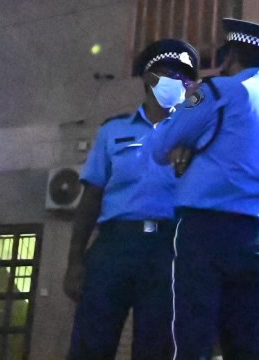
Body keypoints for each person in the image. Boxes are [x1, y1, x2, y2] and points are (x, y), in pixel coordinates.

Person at [147, 19, 259, 360]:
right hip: (257, 237)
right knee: (250, 345)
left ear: (230, 57)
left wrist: (188, 136)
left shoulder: (217, 91)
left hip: (206, 234)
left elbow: (160, 147)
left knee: (194, 341)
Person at [65, 40, 199, 360]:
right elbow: (91, 197)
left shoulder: (196, 137)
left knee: (157, 347)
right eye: (168, 74)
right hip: (114, 247)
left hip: (168, 249)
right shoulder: (113, 132)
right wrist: (74, 261)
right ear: (148, 77)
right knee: (91, 344)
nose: (176, 82)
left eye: (184, 77)